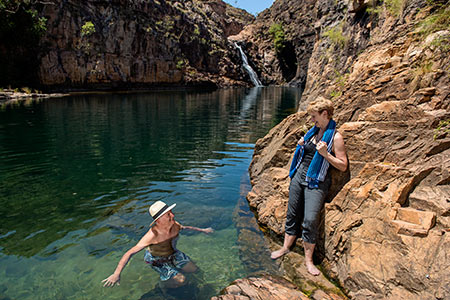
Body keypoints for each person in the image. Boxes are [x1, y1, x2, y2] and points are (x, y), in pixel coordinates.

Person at [270, 96, 348, 276]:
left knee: (310, 220)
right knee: (292, 213)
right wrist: (302, 146)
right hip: (299, 177)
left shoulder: (335, 137)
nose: (311, 120)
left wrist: (325, 154)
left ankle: (308, 260)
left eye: (314, 116)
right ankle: (285, 248)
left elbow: (343, 166)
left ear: (325, 114)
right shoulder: (312, 132)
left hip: (317, 181)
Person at [102, 200, 214, 288]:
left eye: (171, 212)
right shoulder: (151, 235)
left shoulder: (175, 224)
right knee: (181, 281)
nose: (173, 216)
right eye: (168, 214)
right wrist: (116, 274)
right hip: (157, 260)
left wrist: (203, 230)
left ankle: (174, 272)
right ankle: (163, 285)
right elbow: (129, 253)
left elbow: (185, 228)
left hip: (174, 254)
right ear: (159, 220)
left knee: (194, 270)